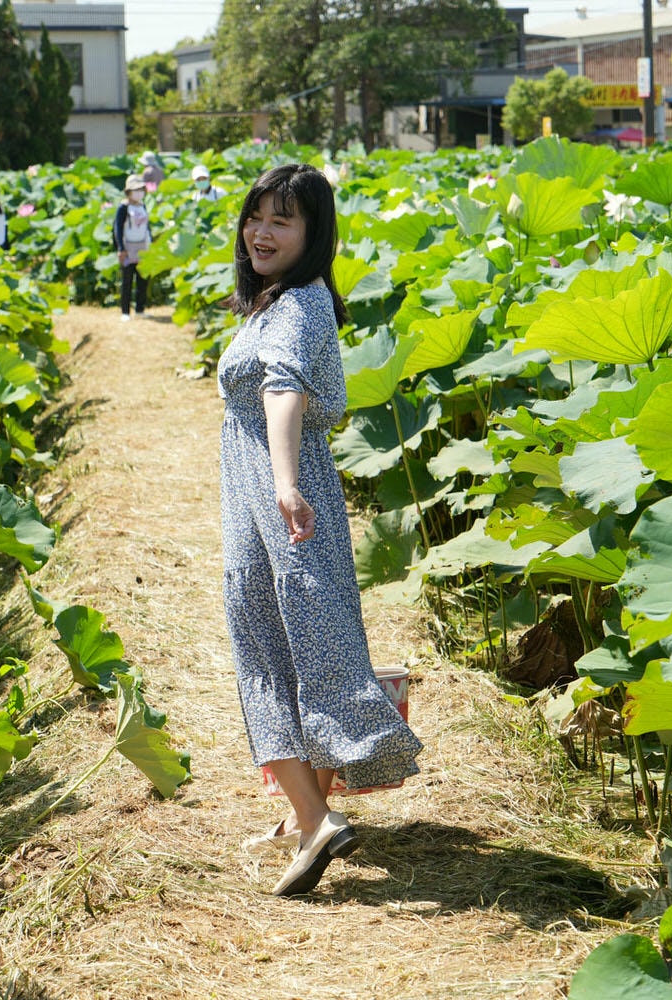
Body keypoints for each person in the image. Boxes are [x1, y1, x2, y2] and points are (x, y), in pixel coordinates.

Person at [217, 164, 423, 897]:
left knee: (274, 648)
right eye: (256, 217)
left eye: (283, 221)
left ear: (313, 235)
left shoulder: (299, 308)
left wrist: (282, 483)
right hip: (265, 498)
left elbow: (283, 393)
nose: (262, 233)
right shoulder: (281, 304)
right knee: (302, 638)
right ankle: (304, 811)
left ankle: (314, 821)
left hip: (280, 497)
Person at [112, 173, 151, 321]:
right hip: (128, 248)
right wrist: (121, 248)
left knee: (142, 279)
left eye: (141, 189)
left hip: (142, 246)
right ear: (128, 192)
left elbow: (147, 227)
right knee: (127, 280)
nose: (139, 192)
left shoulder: (143, 206)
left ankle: (140, 309)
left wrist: (150, 242)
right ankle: (125, 312)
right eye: (136, 190)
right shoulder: (123, 207)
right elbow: (118, 229)